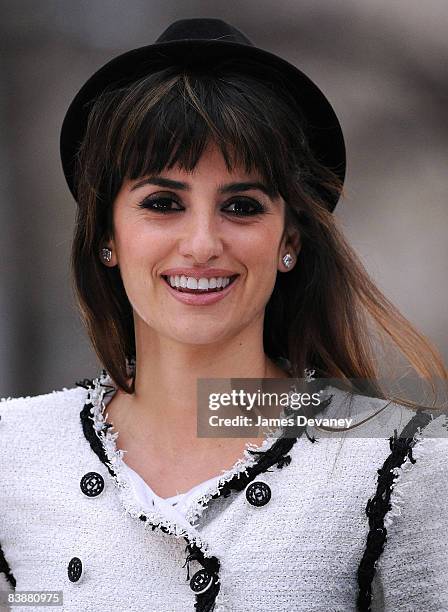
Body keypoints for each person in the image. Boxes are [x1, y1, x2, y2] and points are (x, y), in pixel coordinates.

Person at [0, 17, 447, 612]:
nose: (203, 243)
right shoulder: (16, 451)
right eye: (163, 204)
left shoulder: (399, 460)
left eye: (241, 205)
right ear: (106, 234)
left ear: (290, 240)